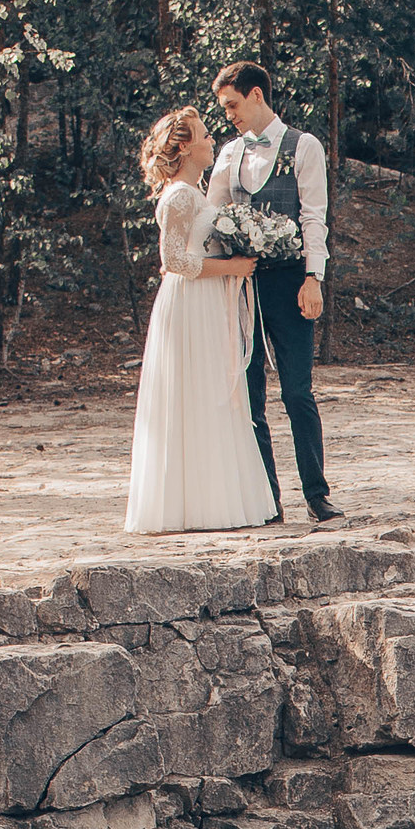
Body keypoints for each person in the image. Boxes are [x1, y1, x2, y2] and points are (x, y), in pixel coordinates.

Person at [124, 109, 278, 536]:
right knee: (197, 391)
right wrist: (230, 267)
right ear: (187, 147)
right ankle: (191, 504)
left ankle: (213, 496)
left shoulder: (195, 192)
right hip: (190, 301)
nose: (213, 140)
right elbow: (172, 260)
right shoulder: (179, 196)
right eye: (206, 135)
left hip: (206, 300)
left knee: (212, 391)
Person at [212, 59, 334, 521]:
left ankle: (316, 495)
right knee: (250, 394)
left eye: (232, 105)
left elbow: (313, 216)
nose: (229, 115)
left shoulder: (305, 146)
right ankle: (268, 502)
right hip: (241, 283)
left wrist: (313, 277)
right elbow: (214, 213)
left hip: (290, 281)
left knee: (297, 392)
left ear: (256, 95)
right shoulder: (227, 153)